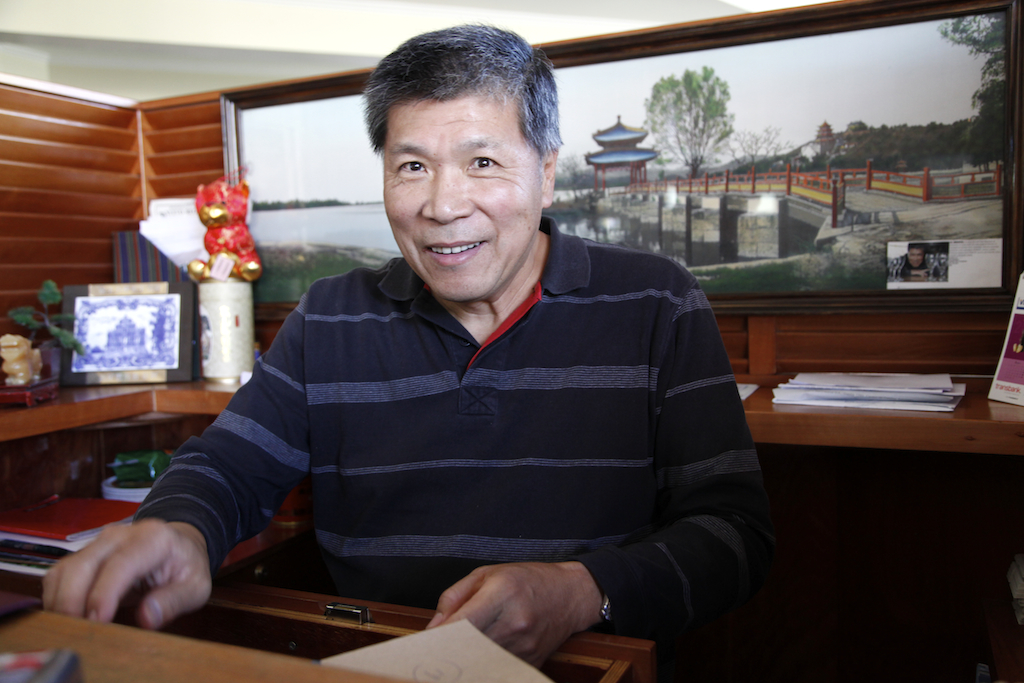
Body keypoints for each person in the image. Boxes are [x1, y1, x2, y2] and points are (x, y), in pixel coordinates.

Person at [43, 24, 774, 680]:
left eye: (482, 161)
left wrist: (583, 590)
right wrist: (178, 528)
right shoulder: (330, 316)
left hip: (593, 666)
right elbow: (228, 466)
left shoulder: (656, 302)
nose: (443, 205)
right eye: (412, 166)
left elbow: (735, 535)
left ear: (547, 171)